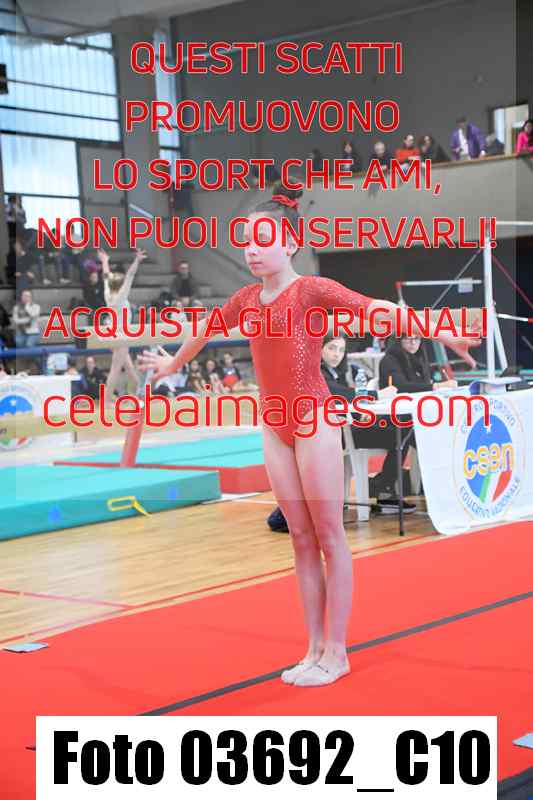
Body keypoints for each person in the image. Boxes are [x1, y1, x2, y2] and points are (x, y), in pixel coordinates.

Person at [139, 184, 480, 688]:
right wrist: (172, 364)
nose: (251, 250)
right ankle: (313, 646)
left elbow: (379, 308)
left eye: (262, 239)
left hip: (314, 419)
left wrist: (442, 331)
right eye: (246, 241)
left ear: (290, 243)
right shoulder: (246, 299)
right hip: (274, 425)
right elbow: (205, 328)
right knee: (300, 538)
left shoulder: (311, 291)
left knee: (328, 534)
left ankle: (337, 651)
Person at [98, 248, 146, 404]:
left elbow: (106, 275)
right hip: (121, 335)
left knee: (129, 367)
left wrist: (105, 261)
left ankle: (140, 395)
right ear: (120, 286)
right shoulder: (121, 296)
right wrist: (137, 260)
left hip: (112, 333)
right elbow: (130, 275)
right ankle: (106, 401)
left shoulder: (108, 292)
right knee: (115, 369)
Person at [379, 335, 458, 393]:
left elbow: (427, 381)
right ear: (398, 340)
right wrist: (438, 386)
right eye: (407, 338)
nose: (413, 342)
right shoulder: (389, 360)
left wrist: (442, 382)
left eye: (416, 338)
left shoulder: (418, 358)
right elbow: (400, 387)